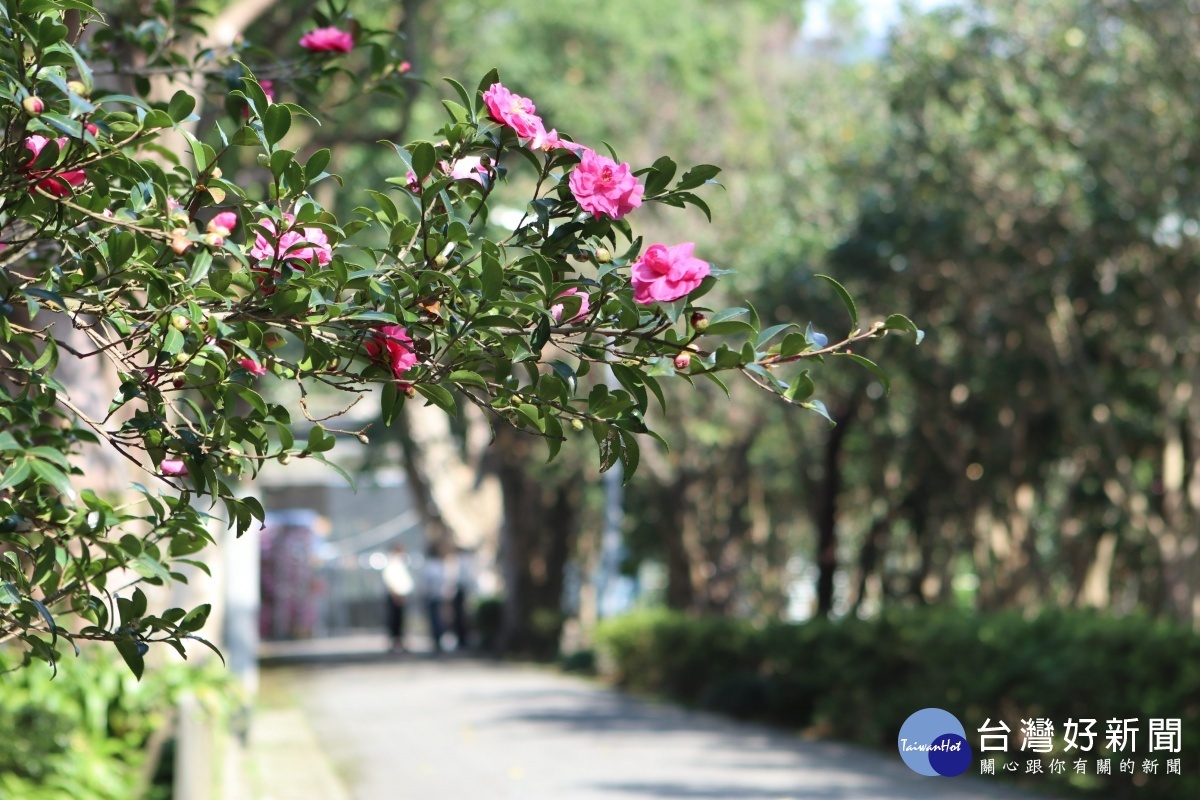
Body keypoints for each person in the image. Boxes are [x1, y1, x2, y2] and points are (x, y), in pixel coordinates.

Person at [382, 543, 414, 653]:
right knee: (395, 621)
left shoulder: (400, 563)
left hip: (401, 595)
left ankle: (399, 642)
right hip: (395, 596)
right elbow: (390, 581)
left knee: (400, 621)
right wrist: (396, 595)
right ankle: (395, 643)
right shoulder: (392, 563)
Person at [421, 543, 446, 653]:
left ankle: (437, 639)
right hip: (439, 595)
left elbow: (425, 582)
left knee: (435, 619)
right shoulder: (440, 565)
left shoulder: (430, 566)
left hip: (432, 596)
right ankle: (438, 639)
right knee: (438, 618)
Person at [451, 546, 475, 651]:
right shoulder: (458, 561)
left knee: (462, 617)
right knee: (459, 617)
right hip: (459, 592)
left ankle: (464, 639)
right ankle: (461, 639)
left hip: (463, 591)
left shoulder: (463, 562)